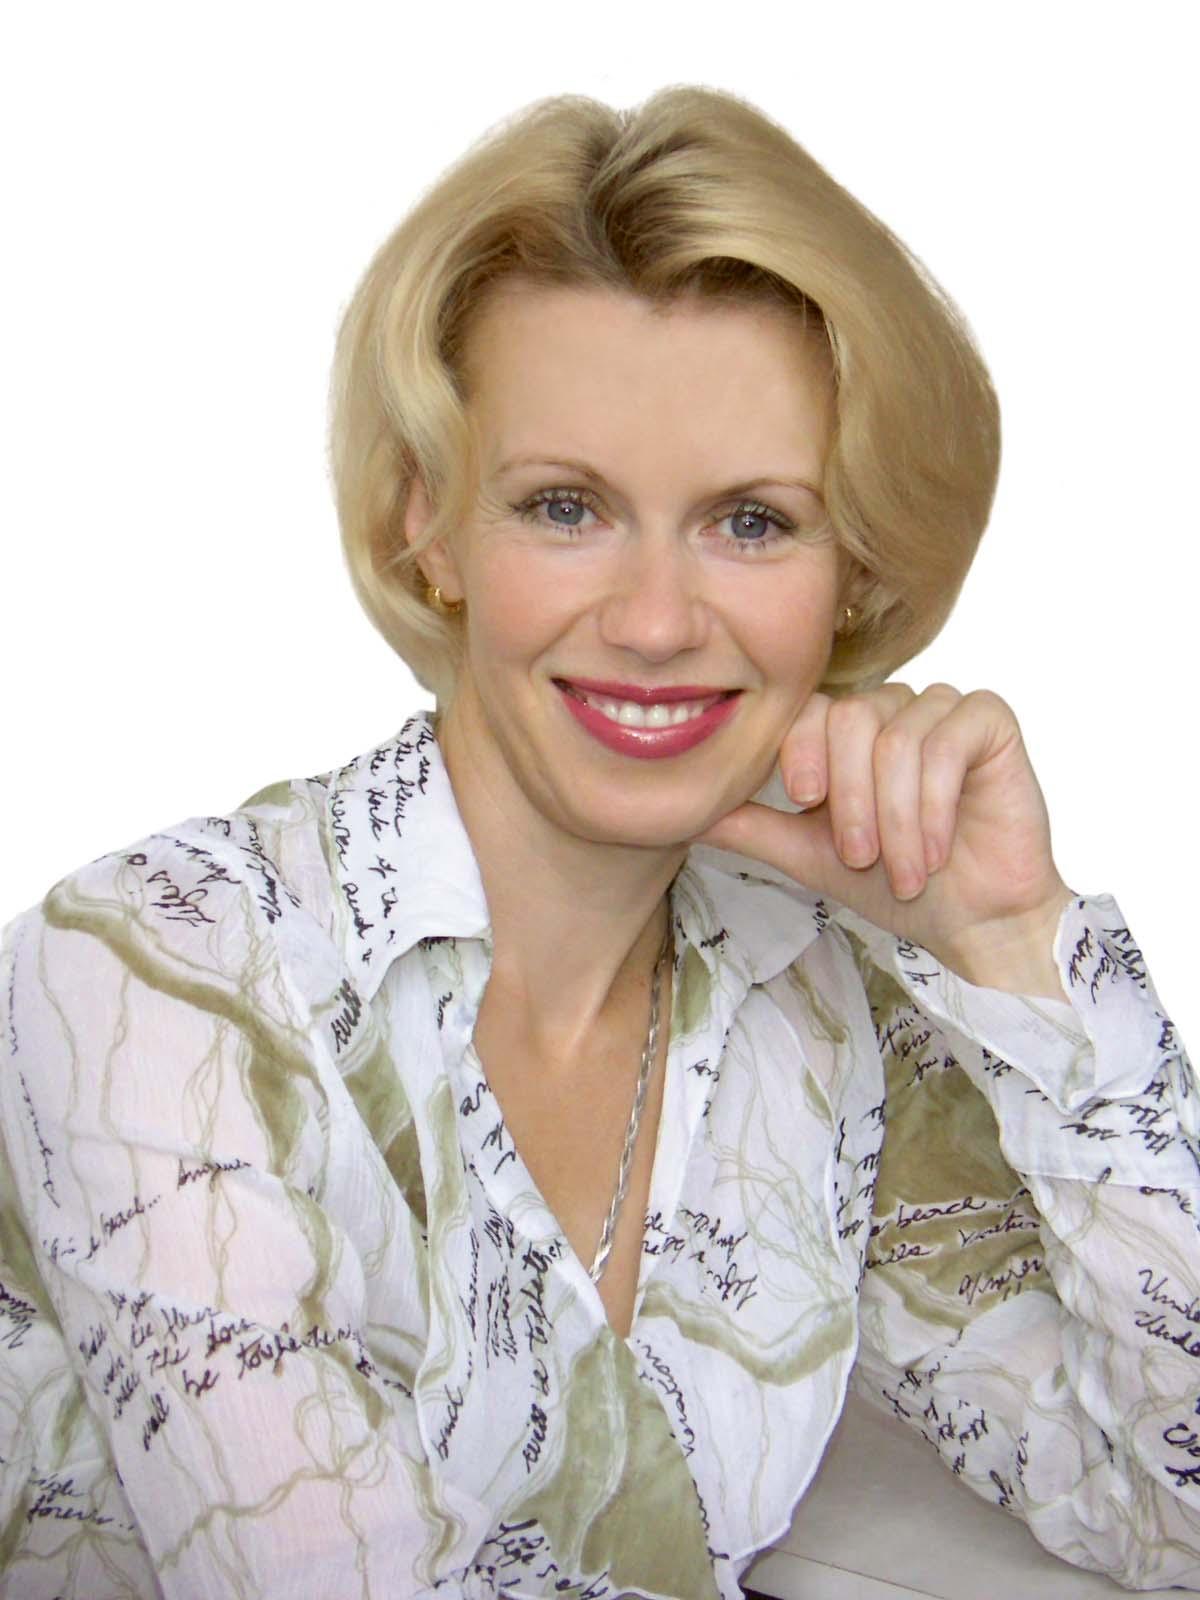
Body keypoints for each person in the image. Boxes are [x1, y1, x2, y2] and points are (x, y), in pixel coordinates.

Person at [0, 84, 1195, 1600]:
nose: (654, 621)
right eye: (565, 507)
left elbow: (1166, 1511)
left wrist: (1017, 950)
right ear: (429, 529)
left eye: (751, 521)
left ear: (852, 570)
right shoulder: (155, 975)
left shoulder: (835, 1017)